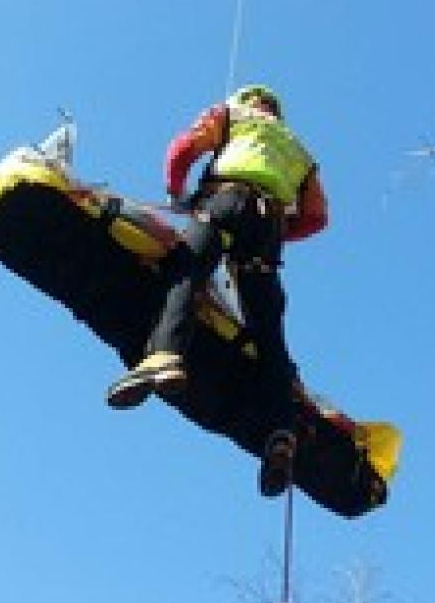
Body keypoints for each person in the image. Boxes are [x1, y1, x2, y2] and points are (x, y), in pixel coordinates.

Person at [105, 84, 329, 496]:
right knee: (268, 335)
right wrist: (279, 232)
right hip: (268, 231)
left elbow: (184, 148)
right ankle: (281, 431)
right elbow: (317, 215)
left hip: (228, 198)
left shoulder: (235, 114)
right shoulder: (298, 150)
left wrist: (177, 192)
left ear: (249, 100)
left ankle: (164, 356)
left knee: (186, 272)